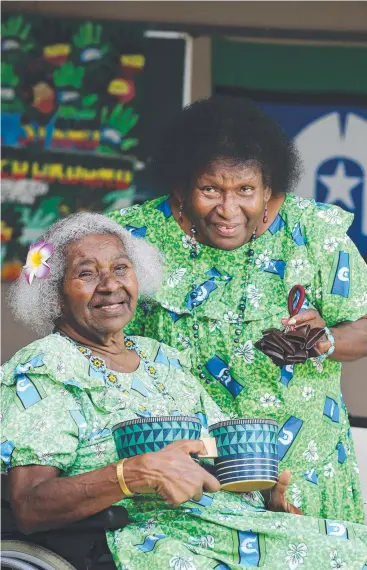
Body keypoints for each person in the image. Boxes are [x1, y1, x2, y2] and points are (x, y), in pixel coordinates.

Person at [2, 213, 367, 570]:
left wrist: (265, 493)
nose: (110, 285)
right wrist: (132, 473)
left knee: (355, 546)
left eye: (120, 268)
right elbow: (30, 505)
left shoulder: (160, 357)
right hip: (157, 540)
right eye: (86, 273)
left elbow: (213, 446)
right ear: (54, 294)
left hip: (227, 526)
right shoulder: (45, 367)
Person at [108, 97, 367, 523]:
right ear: (180, 186)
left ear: (269, 187)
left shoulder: (314, 233)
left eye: (245, 190)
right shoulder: (136, 237)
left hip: (300, 464)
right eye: (210, 189)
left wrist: (325, 340)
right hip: (183, 467)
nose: (229, 211)